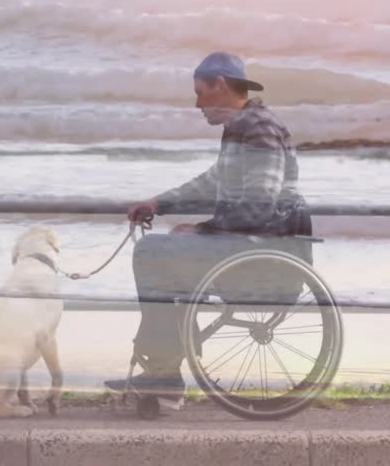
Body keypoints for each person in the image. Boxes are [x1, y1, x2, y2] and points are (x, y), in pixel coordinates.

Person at [104, 51, 311, 410]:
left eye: (201, 93)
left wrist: (204, 229)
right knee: (166, 252)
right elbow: (211, 183)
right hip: (246, 247)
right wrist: (158, 203)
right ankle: (165, 368)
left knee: (152, 253)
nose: (197, 104)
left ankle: (165, 373)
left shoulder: (259, 129)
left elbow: (260, 205)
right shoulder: (240, 129)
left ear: (221, 85)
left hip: (264, 258)